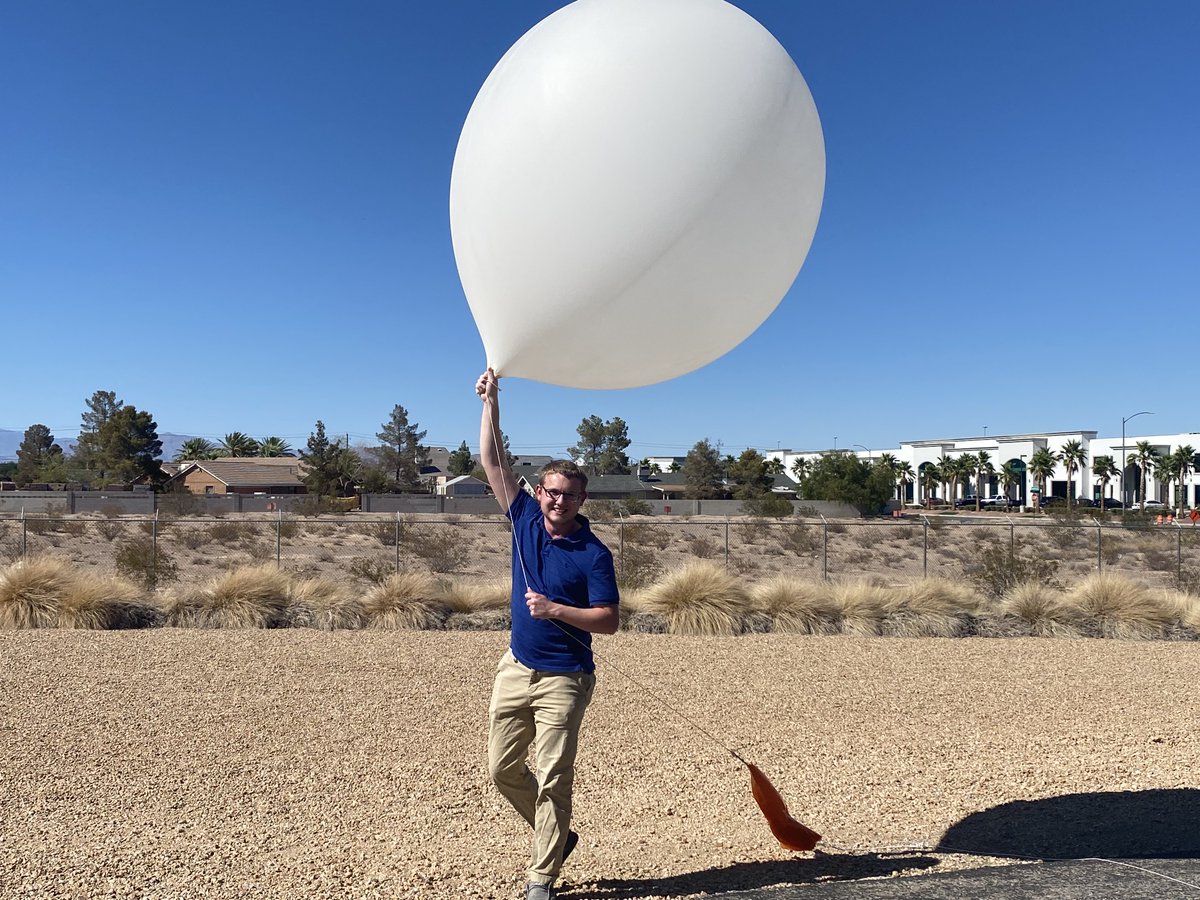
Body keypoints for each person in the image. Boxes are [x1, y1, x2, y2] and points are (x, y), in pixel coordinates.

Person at [475, 368, 620, 900]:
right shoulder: (524, 521)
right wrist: (492, 402)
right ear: (540, 493)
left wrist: (556, 608)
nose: (560, 502)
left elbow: (608, 620)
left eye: (571, 496)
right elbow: (493, 461)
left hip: (565, 678)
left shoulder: (593, 554)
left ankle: (542, 878)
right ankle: (559, 837)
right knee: (502, 770)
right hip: (516, 667)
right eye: (553, 493)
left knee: (554, 775)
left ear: (583, 501)